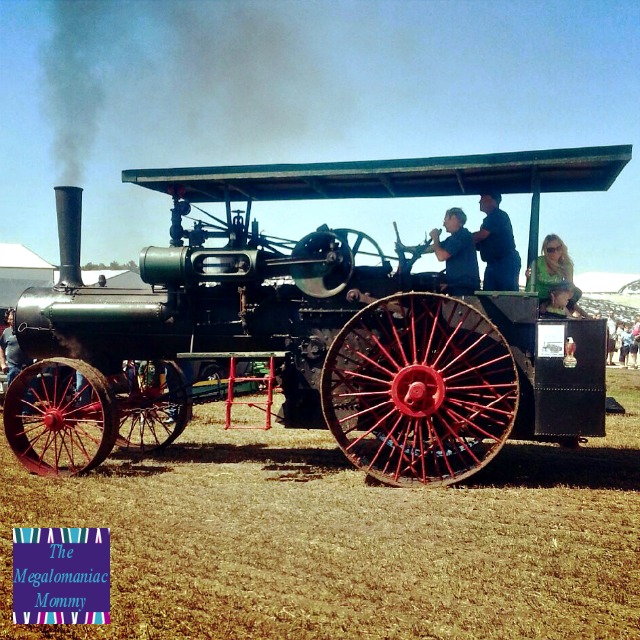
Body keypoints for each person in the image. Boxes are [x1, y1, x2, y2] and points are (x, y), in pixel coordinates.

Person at [395, 207, 480, 296]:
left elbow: (441, 256)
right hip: (458, 284)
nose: (444, 224)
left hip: (464, 287)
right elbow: (430, 248)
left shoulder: (461, 236)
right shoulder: (453, 238)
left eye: (445, 219)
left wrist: (436, 237)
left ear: (454, 218)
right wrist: (405, 248)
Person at [472, 193, 521, 291]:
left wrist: (462, 238)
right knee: (488, 297)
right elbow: (478, 243)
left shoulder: (498, 215)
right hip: (492, 264)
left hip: (505, 262)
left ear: (491, 199)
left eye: (482, 198)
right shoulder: (489, 220)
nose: (479, 202)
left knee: (507, 297)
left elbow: (481, 236)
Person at [0, 308, 31, 385]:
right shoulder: (6, 332)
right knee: (13, 392)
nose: (11, 321)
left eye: (13, 319)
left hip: (28, 367)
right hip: (13, 368)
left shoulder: (26, 330)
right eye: (10, 319)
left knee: (29, 392)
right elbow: (1, 348)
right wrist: (3, 364)